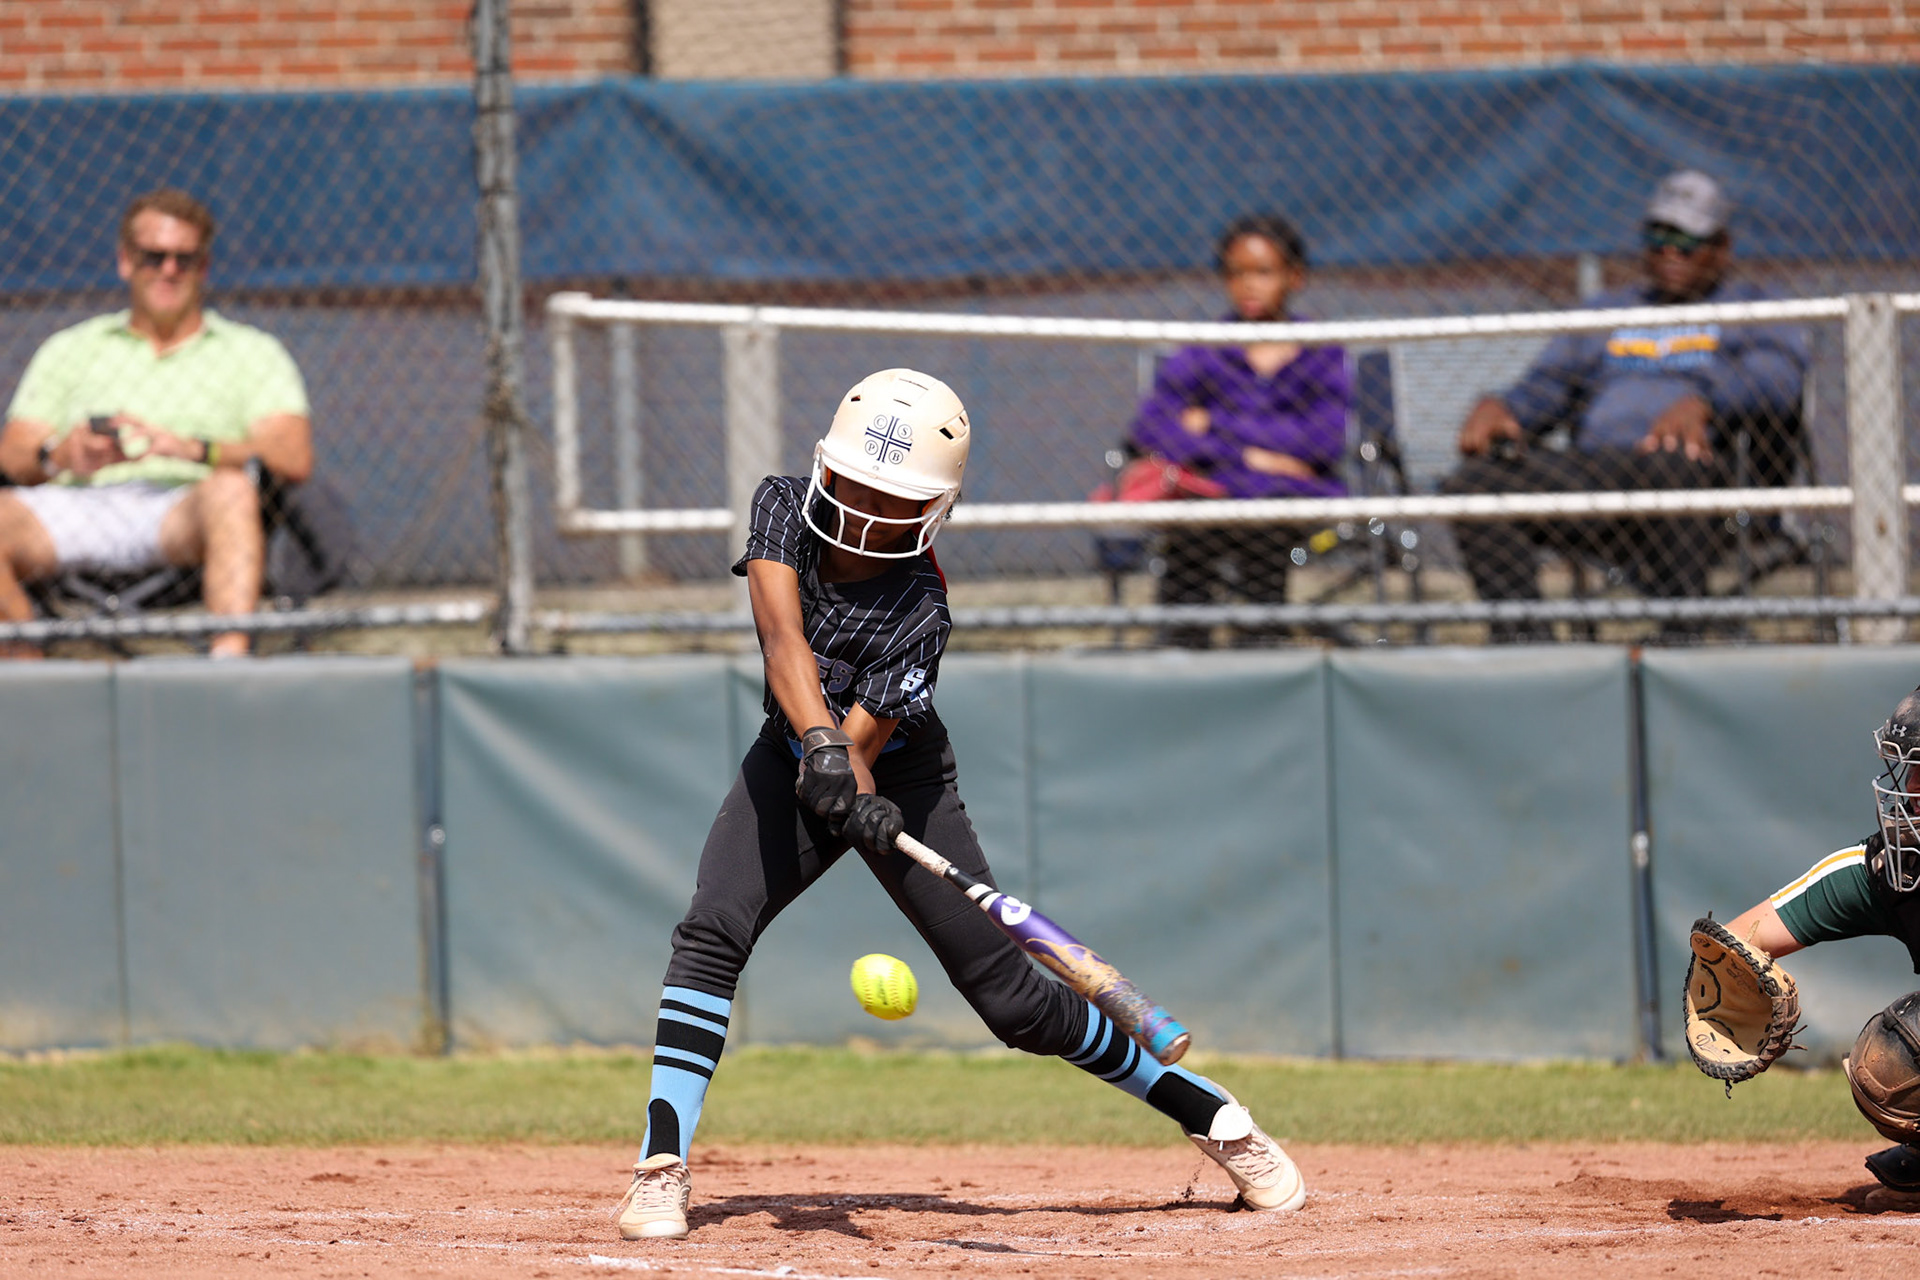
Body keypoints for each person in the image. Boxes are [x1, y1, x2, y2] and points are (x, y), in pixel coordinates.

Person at [613, 368, 1306, 1241]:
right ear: (827, 470)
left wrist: (852, 781)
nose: (868, 515)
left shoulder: (921, 610)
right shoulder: (782, 506)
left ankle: (1211, 1113)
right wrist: (822, 748)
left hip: (900, 779)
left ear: (933, 508)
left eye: (894, 501)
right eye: (857, 487)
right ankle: (661, 1166)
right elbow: (784, 639)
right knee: (713, 930)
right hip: (793, 750)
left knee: (1015, 1003)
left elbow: (860, 754)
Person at [1437, 170, 1808, 642]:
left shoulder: (1754, 306)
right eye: (1658, 238)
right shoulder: (1608, 311)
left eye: (1687, 242)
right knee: (1475, 486)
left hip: (1700, 476)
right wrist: (1502, 408)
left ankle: (1683, 638)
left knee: (1674, 463)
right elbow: (1549, 385)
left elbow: (1779, 379)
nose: (1670, 253)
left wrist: (1706, 402)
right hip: (1598, 472)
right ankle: (1528, 649)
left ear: (1721, 248)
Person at [0, 188, 313, 657]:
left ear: (204, 268)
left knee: (232, 491)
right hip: (74, 504)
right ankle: (29, 671)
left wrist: (195, 449)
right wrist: (60, 455)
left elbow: (292, 455)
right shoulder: (70, 348)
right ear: (126, 262)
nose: (169, 270)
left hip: (181, 511)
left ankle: (229, 672)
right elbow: (13, 453)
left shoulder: (252, 352)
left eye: (185, 259)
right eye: (154, 257)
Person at [1699, 684, 1920, 1198]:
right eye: (1907, 769)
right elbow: (1737, 941)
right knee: (1898, 1053)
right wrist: (1728, 984)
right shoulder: (1896, 868)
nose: (1909, 789)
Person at [1126, 213, 1350, 648]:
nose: (1248, 285)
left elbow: (1322, 441)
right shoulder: (1206, 347)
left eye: (1263, 272)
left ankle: (1261, 642)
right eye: (1235, 273)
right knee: (1194, 524)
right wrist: (1251, 455)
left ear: (1295, 277)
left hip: (1291, 496)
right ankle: (1182, 648)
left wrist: (1213, 426)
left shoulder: (1321, 350)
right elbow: (1152, 426)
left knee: (1263, 519)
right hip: (1216, 489)